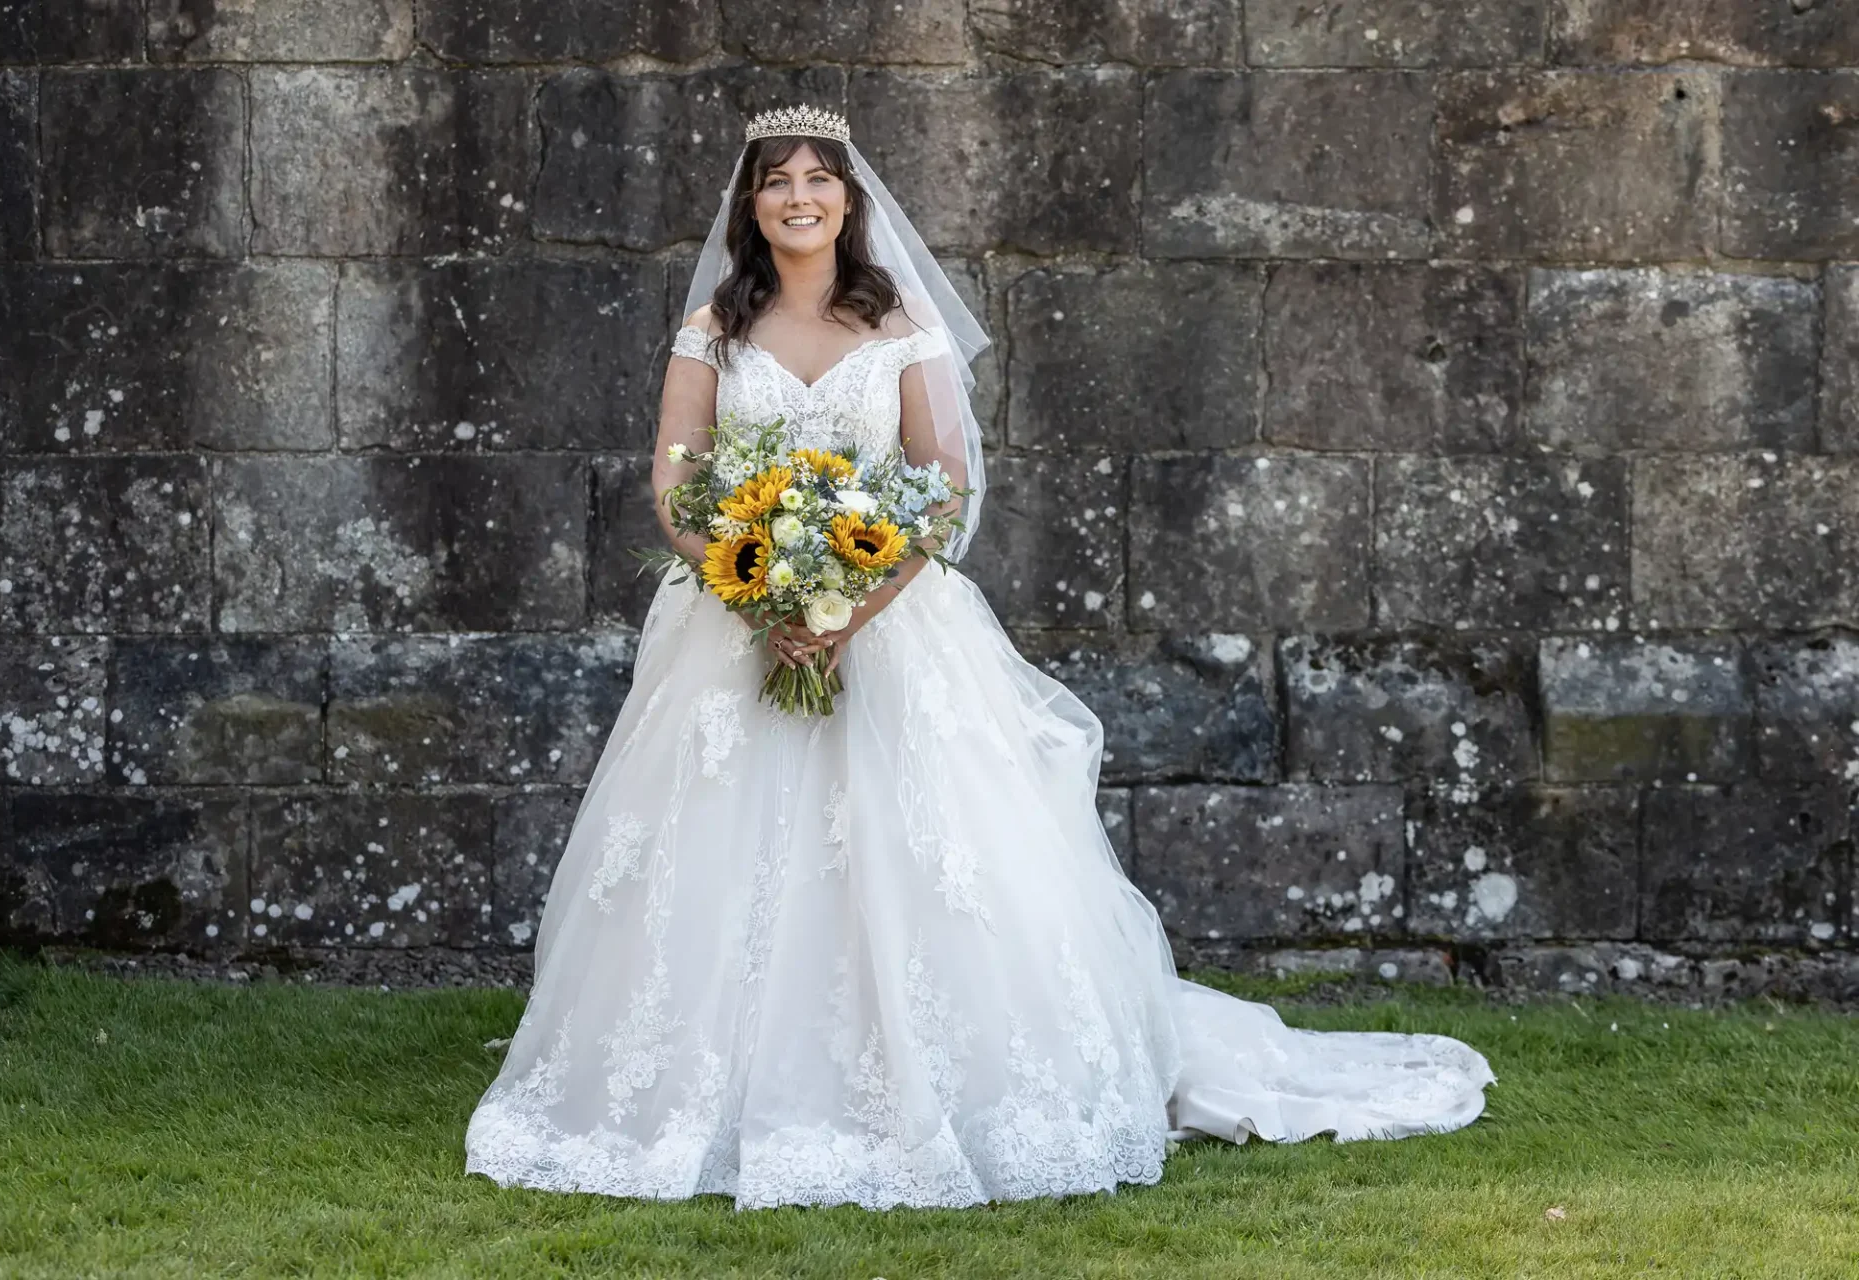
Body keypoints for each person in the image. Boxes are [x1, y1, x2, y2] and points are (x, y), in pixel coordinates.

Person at [464, 104, 1496, 1210]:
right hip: (736, 626)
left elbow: (942, 487)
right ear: (750, 203)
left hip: (891, 623)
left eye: (820, 178)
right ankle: (703, 1085)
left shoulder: (898, 322)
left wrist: (846, 611)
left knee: (923, 857)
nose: (799, 197)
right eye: (777, 181)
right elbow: (676, 483)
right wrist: (750, 584)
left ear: (850, 201)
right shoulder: (714, 326)